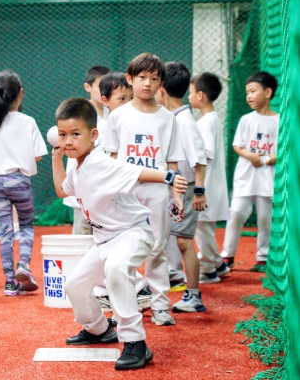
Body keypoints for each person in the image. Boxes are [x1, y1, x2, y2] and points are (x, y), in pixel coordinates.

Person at [52, 97, 187, 370]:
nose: (68, 141)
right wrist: (56, 158)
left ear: (93, 136)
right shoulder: (76, 166)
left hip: (132, 233)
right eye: (63, 134)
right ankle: (99, 330)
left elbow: (135, 170)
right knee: (74, 286)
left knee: (116, 269)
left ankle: (136, 343)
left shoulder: (98, 162)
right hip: (105, 239)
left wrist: (168, 177)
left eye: (75, 134)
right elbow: (61, 191)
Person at [102, 53, 184, 326]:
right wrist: (108, 191)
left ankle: (161, 306)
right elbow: (111, 157)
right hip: (125, 190)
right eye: (141, 78)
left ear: (161, 83)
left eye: (154, 78)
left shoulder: (168, 118)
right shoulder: (118, 116)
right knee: (120, 249)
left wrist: (177, 195)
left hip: (157, 190)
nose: (147, 83)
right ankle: (122, 305)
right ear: (130, 79)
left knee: (157, 248)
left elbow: (171, 160)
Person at [92, 71, 151, 314]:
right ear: (105, 100)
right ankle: (114, 290)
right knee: (102, 247)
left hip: (119, 199)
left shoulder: (125, 123)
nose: (126, 104)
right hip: (99, 199)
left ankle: (135, 288)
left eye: (129, 98)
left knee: (119, 247)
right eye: (121, 99)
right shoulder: (102, 127)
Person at [0, 69, 47, 296]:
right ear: (20, 94)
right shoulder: (27, 121)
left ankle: (10, 281)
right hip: (19, 180)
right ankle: (24, 266)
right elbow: (39, 155)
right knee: (27, 225)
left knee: (5, 231)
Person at [156, 62, 208, 313]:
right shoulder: (174, 118)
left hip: (187, 189)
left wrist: (198, 192)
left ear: (162, 88)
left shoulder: (184, 121)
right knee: (175, 240)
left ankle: (194, 295)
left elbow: (199, 159)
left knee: (185, 243)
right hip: (180, 188)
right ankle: (174, 280)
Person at [222, 72, 279, 272]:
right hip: (246, 176)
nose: (249, 96)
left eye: (253, 91)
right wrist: (250, 155)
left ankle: (263, 257)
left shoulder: (279, 120)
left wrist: (273, 157)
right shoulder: (246, 119)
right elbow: (237, 145)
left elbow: (281, 150)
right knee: (237, 212)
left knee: (265, 218)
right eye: (247, 92)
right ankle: (227, 255)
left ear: (268, 93)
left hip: (267, 178)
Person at [190, 73, 231, 282]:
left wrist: (199, 189)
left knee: (201, 227)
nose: (189, 97)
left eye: (191, 93)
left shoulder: (206, 122)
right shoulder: (212, 118)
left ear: (201, 95)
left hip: (206, 185)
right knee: (205, 227)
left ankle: (208, 268)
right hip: (211, 184)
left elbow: (204, 155)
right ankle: (217, 262)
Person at [63, 66, 110, 235]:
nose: (105, 91)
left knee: (105, 244)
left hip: (104, 194)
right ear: (88, 87)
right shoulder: (79, 115)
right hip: (83, 192)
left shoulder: (113, 116)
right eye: (100, 86)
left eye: (108, 86)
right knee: (81, 243)